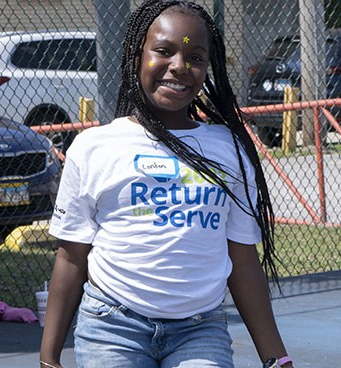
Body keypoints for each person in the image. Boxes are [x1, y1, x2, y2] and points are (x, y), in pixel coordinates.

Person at [40, 1, 292, 367]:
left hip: (199, 330)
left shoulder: (229, 149)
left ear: (208, 67)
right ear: (135, 56)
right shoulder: (95, 147)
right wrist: (49, 359)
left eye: (195, 57)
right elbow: (71, 256)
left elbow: (243, 260)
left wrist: (276, 358)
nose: (179, 66)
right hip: (112, 326)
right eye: (164, 51)